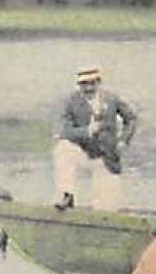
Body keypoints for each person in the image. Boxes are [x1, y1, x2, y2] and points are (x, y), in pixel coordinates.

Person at [52, 66, 137, 211]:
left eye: (92, 83)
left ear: (98, 82)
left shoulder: (111, 99)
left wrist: (123, 140)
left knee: (106, 208)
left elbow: (131, 119)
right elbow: (64, 131)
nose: (89, 88)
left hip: (106, 158)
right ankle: (67, 195)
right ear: (79, 85)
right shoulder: (71, 102)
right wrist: (87, 131)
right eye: (84, 84)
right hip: (84, 153)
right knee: (62, 148)